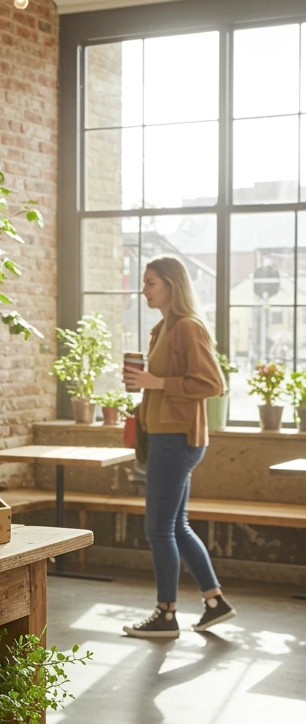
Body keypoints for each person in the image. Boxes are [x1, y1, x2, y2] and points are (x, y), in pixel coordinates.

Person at [122, 256, 232, 639]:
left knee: (158, 529)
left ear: (171, 284)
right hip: (164, 437)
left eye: (151, 282)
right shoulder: (162, 329)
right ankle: (215, 601)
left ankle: (166, 614)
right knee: (176, 526)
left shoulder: (188, 327)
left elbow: (212, 384)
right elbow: (161, 382)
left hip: (177, 440)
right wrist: (144, 388)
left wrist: (156, 382)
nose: (144, 289)